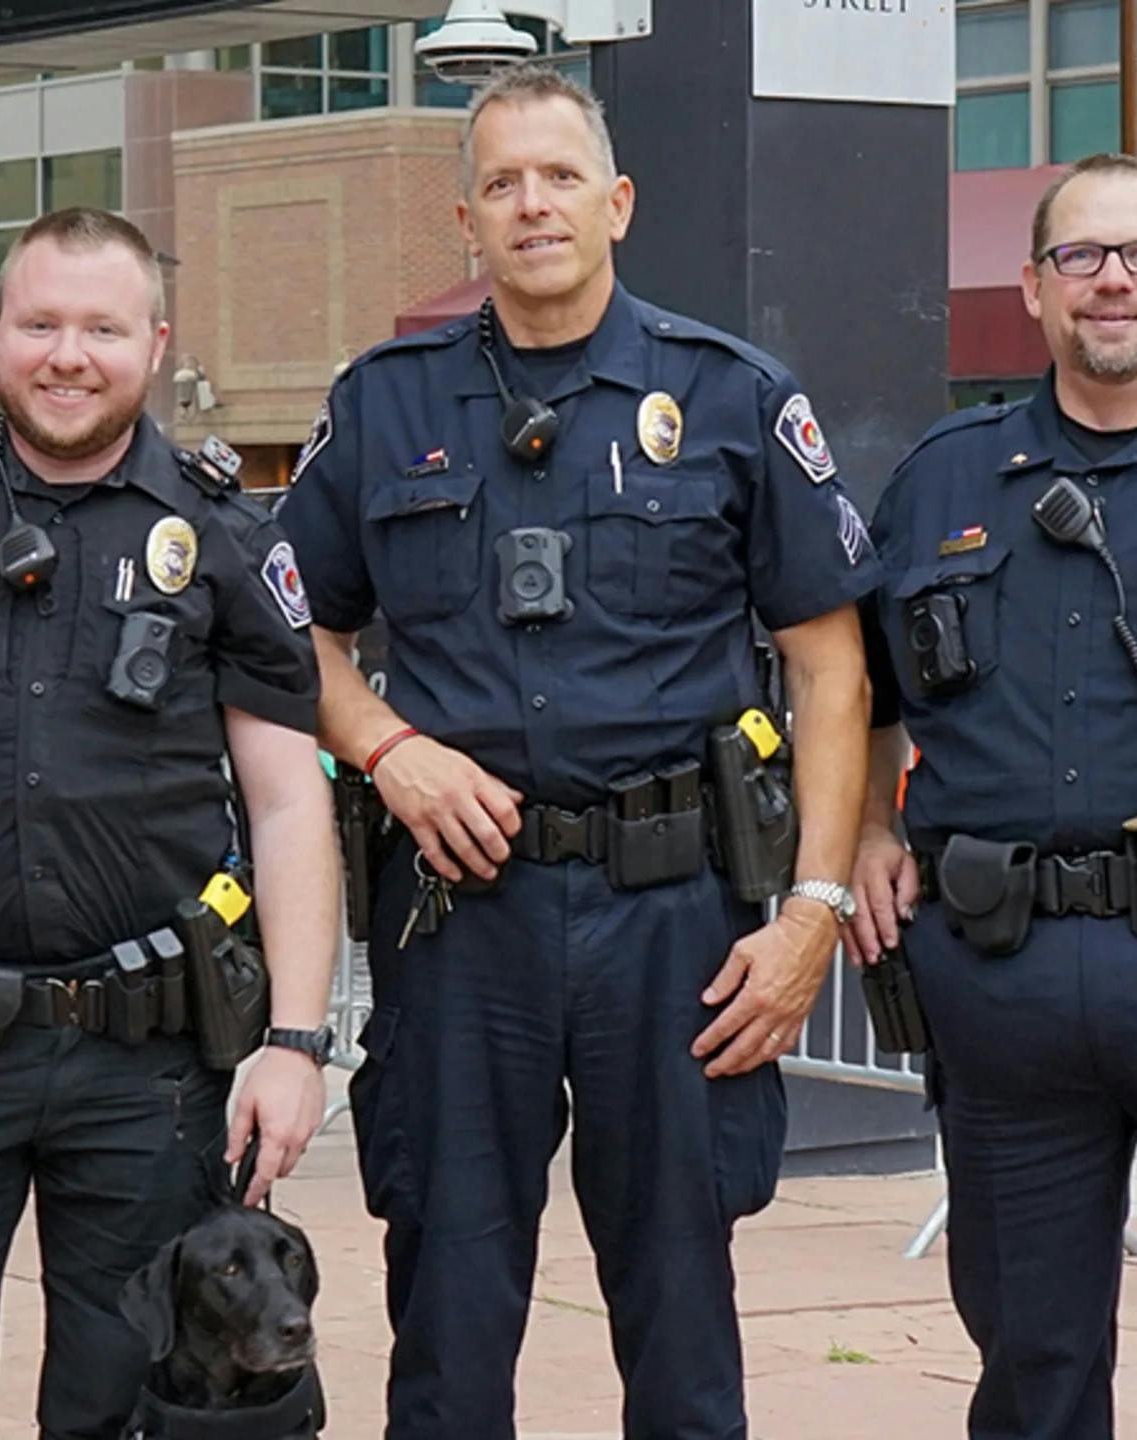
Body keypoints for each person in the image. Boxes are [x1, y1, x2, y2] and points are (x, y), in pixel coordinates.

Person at [284, 66, 880, 1437]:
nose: (532, 204)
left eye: (559, 177)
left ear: (617, 201)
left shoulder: (730, 396)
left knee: (680, 1323)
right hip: (460, 920)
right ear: (465, 217)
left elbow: (832, 668)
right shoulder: (385, 403)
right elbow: (285, 627)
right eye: (503, 182)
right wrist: (385, 747)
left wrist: (813, 911)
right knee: (447, 1309)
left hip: (676, 921)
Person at [0, 206, 338, 1440]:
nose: (68, 354)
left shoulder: (222, 531)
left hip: (148, 1059)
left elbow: (286, 800)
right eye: (40, 322)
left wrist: (301, 1041)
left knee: (125, 1400)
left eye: (101, 328)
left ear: (153, 343)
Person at [847, 151, 1137, 1440]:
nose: (1113, 283)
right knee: (1033, 1360)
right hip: (1004, 975)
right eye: (1081, 256)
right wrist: (867, 823)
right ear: (1031, 287)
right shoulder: (940, 480)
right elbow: (856, 694)